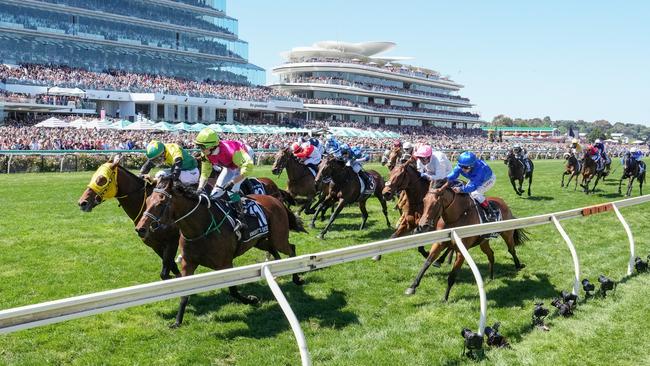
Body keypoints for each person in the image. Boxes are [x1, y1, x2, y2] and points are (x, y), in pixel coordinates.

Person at [194, 128, 254, 241]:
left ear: (211, 146)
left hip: (244, 159)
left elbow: (247, 168)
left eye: (202, 147)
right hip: (229, 165)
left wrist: (233, 182)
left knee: (232, 190)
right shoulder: (206, 154)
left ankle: (242, 220)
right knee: (215, 192)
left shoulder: (232, 151)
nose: (200, 149)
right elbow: (204, 173)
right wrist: (200, 188)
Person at [446, 151, 499, 221]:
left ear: (472, 166)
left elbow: (473, 186)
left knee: (475, 193)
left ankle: (490, 211)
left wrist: (461, 189)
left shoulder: (481, 169)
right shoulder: (462, 165)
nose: (463, 169)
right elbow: (452, 176)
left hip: (487, 179)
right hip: (474, 179)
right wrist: (443, 180)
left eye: (465, 167)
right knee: (466, 192)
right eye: (461, 166)